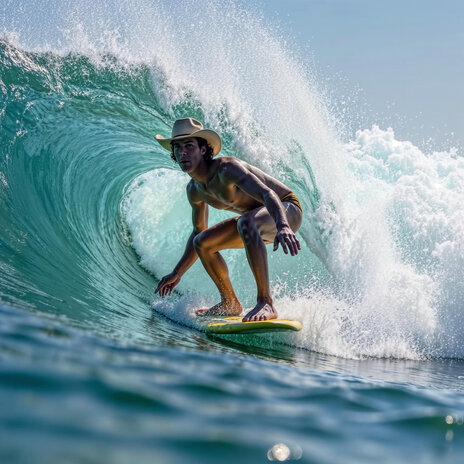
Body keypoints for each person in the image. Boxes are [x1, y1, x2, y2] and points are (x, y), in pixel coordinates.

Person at [154, 118, 302, 322]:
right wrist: (177, 273)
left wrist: (283, 225)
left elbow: (268, 194)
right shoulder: (195, 190)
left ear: (203, 150)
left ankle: (265, 301)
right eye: (177, 148)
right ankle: (229, 302)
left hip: (286, 209)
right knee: (202, 242)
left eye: (189, 146)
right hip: (255, 222)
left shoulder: (227, 169)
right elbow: (198, 231)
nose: (183, 153)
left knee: (245, 222)